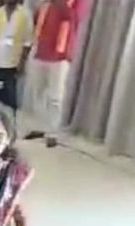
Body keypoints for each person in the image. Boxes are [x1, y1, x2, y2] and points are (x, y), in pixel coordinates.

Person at [24, 0, 82, 148]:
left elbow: (74, 18)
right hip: (40, 48)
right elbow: (37, 16)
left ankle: (52, 133)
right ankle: (38, 127)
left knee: (55, 96)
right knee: (37, 92)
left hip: (60, 53)